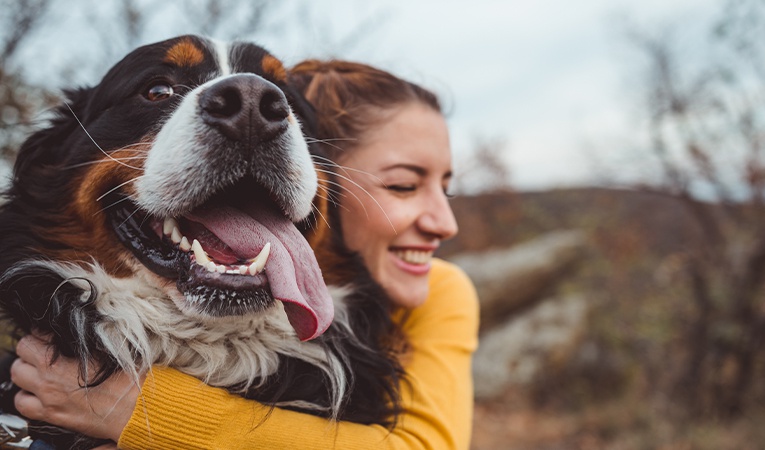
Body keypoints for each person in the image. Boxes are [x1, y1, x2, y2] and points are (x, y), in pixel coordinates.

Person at [11, 59, 480, 449]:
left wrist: (138, 410)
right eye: (402, 185)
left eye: (447, 188)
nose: (446, 223)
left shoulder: (441, 288)